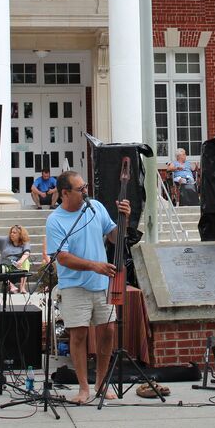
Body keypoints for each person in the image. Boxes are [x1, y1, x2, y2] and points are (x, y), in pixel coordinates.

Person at [45, 170, 131, 404]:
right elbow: (62, 258)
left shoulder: (95, 208)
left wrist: (125, 218)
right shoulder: (55, 220)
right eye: (80, 189)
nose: (86, 192)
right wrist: (94, 266)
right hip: (74, 286)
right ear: (65, 193)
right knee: (79, 335)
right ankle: (84, 387)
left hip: (102, 283)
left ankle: (102, 383)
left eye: (85, 187)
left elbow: (114, 236)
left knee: (108, 332)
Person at [0, 225, 32, 294]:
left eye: (14, 233)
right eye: (11, 232)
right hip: (5, 264)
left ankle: (22, 287)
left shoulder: (25, 243)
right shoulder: (6, 240)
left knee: (26, 261)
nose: (11, 234)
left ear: (20, 234)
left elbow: (26, 253)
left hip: (18, 265)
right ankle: (12, 286)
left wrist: (20, 261)